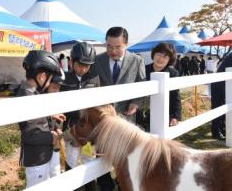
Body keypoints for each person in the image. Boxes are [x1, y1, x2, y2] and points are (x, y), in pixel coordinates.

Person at [93, 26, 146, 191]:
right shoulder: (97, 60)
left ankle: (124, 184)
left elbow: (143, 86)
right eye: (109, 46)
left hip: (126, 120)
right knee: (101, 155)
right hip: (103, 120)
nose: (113, 50)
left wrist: (136, 102)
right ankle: (105, 185)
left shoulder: (137, 61)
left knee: (126, 157)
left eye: (117, 47)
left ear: (126, 44)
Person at [17, 50, 65, 188]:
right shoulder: (28, 96)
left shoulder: (32, 92)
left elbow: (33, 117)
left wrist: (49, 115)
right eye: (50, 79)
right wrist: (53, 138)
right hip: (36, 159)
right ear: (43, 76)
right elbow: (30, 134)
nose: (50, 83)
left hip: (41, 156)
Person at [60, 41, 100, 191]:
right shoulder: (64, 80)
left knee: (89, 161)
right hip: (71, 129)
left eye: (87, 65)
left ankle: (91, 188)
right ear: (71, 61)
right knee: (71, 160)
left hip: (89, 131)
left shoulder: (94, 79)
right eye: (80, 65)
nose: (83, 69)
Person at [145, 43, 181, 128]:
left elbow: (175, 96)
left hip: (164, 112)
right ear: (154, 54)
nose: (161, 59)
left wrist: (176, 116)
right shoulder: (143, 69)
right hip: (143, 113)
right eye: (159, 54)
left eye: (165, 57)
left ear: (169, 60)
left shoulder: (173, 73)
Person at [210, 52, 232, 140]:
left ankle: (222, 130)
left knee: (224, 108)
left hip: (225, 83)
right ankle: (216, 132)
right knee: (218, 108)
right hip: (220, 83)